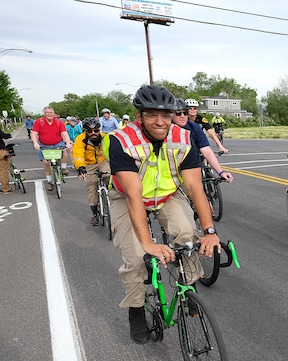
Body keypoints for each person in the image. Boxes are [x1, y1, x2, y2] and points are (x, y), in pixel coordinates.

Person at [105, 85, 220, 344]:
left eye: (166, 115)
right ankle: (136, 308)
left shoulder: (183, 137)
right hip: (127, 198)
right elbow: (134, 194)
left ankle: (188, 288)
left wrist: (210, 230)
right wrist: (148, 244)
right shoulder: (121, 140)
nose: (160, 122)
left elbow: (194, 187)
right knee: (136, 257)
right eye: (151, 115)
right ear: (139, 116)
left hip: (167, 195)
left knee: (189, 235)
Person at [172, 99, 233, 183]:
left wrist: (221, 172)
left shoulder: (195, 126)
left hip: (191, 162)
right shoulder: (166, 129)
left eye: (185, 113)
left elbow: (207, 149)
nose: (182, 116)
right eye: (178, 113)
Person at [72, 118, 111, 226]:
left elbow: (113, 150)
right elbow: (78, 154)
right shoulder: (80, 139)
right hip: (89, 164)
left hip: (103, 161)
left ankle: (110, 195)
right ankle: (95, 214)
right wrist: (80, 168)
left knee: (108, 175)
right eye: (90, 131)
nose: (93, 133)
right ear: (85, 131)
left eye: (96, 130)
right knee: (91, 186)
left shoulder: (105, 137)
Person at [31, 106, 72, 190]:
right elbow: (34, 134)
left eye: (51, 112)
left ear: (54, 114)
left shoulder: (58, 122)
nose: (49, 114)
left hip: (58, 143)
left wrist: (68, 143)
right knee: (46, 163)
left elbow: (64, 133)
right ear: (44, 114)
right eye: (47, 113)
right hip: (44, 144)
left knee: (64, 151)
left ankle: (63, 168)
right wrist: (35, 143)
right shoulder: (39, 122)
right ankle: (50, 181)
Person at [0, 127, 12, 194]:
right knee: (3, 170)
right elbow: (4, 136)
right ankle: (6, 188)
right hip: (0, 151)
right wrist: (9, 135)